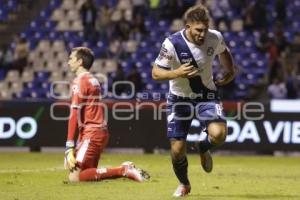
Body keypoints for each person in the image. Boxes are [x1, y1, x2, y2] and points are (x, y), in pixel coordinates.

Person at [152, 4, 236, 197]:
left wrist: (230, 71)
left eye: (205, 29)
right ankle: (184, 184)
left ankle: (202, 146)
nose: (202, 34)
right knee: (177, 149)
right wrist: (176, 72)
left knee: (219, 134)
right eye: (198, 30)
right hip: (179, 99)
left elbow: (223, 52)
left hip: (207, 96)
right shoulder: (172, 43)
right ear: (188, 26)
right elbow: (155, 73)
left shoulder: (214, 37)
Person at [64, 47, 150, 182]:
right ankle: (124, 169)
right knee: (87, 174)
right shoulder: (93, 80)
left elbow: (74, 113)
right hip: (98, 131)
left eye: (71, 59)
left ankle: (123, 170)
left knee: (75, 177)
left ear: (80, 61)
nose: (68, 62)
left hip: (91, 133)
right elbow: (86, 111)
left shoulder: (80, 81)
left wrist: (69, 145)